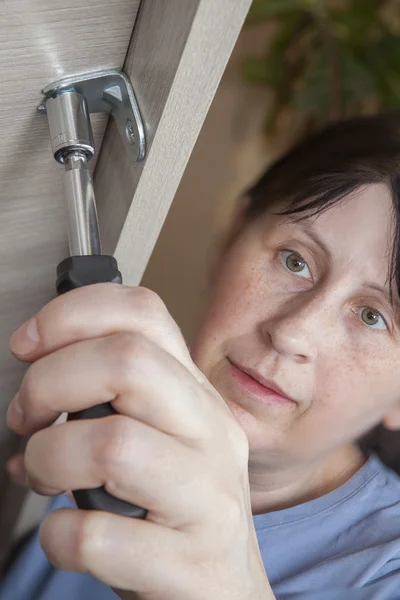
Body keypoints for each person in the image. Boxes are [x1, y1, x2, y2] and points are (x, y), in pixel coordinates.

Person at [2, 112, 400, 600]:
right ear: (229, 239)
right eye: (295, 261)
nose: (293, 333)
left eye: (372, 317)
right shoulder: (87, 392)